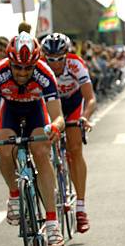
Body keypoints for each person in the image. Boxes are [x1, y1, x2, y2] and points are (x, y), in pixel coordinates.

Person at [0, 32, 66, 246]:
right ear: (10, 62)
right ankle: (14, 194)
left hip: (36, 112)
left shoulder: (45, 74)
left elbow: (58, 117)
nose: (23, 73)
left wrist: (55, 127)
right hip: (11, 114)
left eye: (28, 68)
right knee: (4, 147)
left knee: (40, 150)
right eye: (17, 67)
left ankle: (52, 222)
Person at [41, 33, 95, 233]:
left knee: (74, 149)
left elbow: (90, 98)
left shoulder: (76, 65)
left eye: (59, 59)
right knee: (42, 146)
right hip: (51, 104)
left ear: (67, 55)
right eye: (50, 60)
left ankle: (80, 208)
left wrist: (85, 116)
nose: (55, 64)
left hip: (72, 102)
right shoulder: (40, 67)